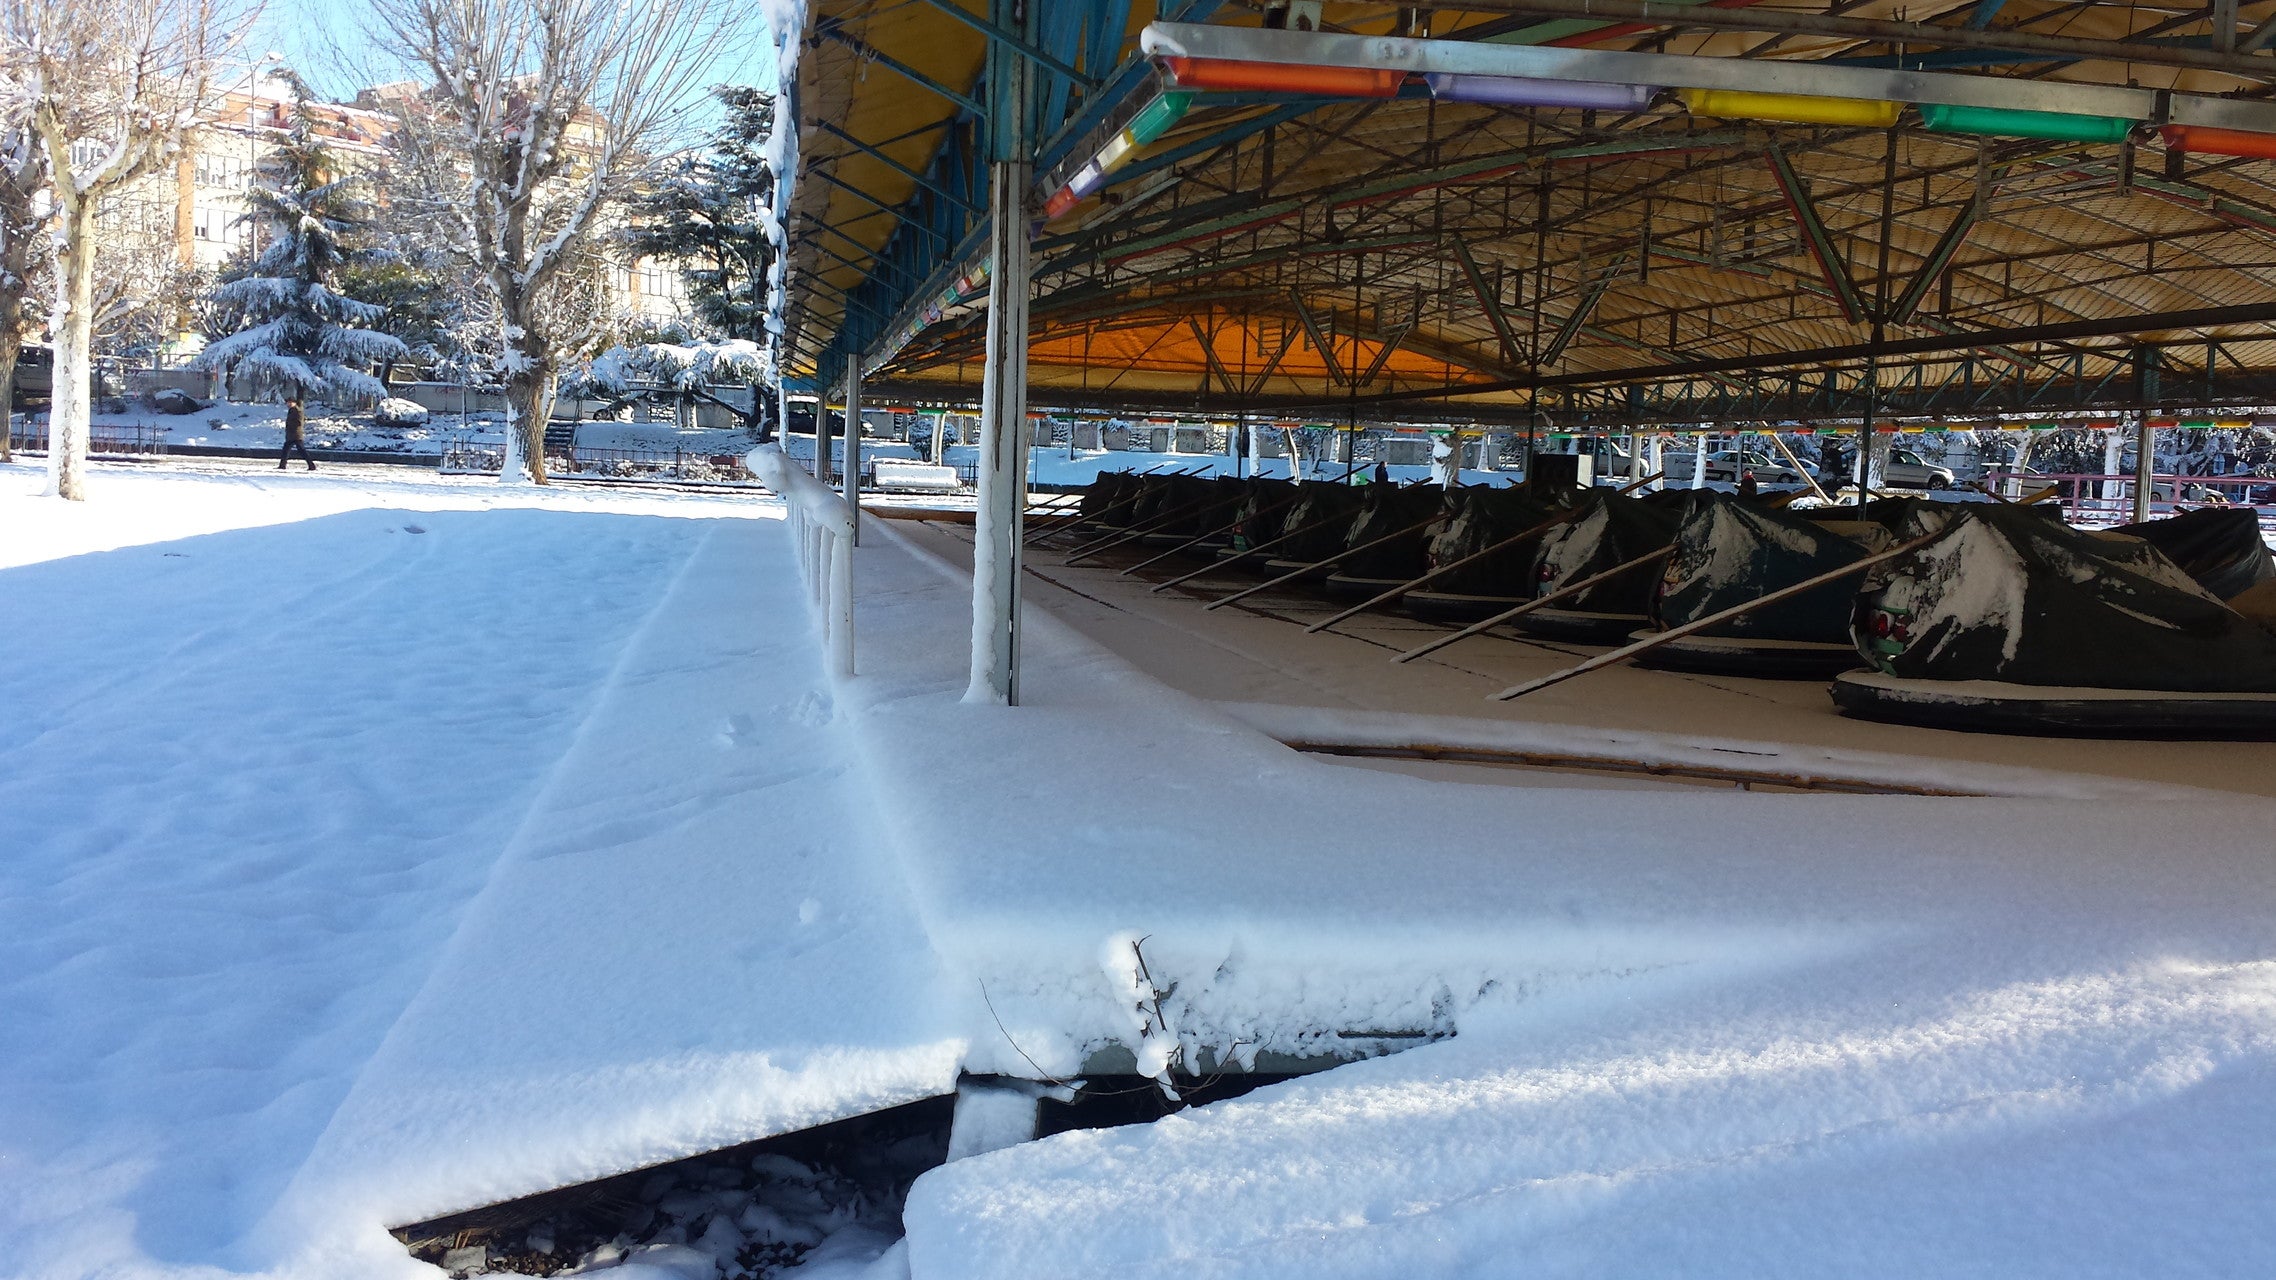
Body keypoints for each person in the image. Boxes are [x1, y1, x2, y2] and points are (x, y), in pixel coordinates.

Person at [278, 397, 315, 471]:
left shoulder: (297, 411)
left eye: (290, 402)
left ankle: (311, 465)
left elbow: (299, 422)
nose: (288, 404)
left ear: (294, 403)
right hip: (291, 434)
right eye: (288, 402)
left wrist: (291, 426)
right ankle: (282, 465)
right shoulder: (291, 410)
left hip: (296, 434)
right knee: (286, 450)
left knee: (301, 451)